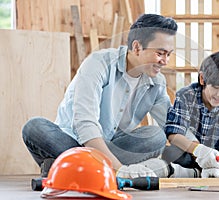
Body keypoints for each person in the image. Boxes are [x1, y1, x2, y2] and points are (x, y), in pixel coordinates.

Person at [22, 14, 178, 178]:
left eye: (169, 54)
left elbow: (172, 127)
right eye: (160, 53)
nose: (165, 61)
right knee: (34, 127)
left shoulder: (156, 82)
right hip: (70, 140)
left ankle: (68, 168)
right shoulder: (99, 63)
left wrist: (200, 151)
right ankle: (94, 170)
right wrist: (119, 170)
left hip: (108, 144)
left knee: (155, 137)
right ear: (137, 47)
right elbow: (85, 122)